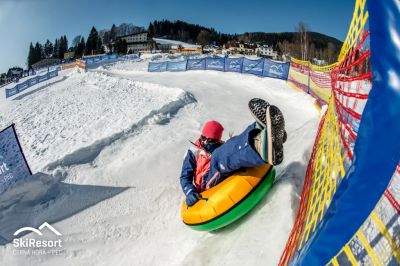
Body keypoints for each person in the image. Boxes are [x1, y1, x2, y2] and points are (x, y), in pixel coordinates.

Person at [180, 98, 287, 206]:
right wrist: (190, 192)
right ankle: (260, 146)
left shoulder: (220, 148)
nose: (206, 141)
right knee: (219, 156)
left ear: (217, 140)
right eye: (204, 137)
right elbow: (185, 177)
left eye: (210, 140)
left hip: (224, 176)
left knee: (232, 144)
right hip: (206, 185)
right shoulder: (194, 152)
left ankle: (259, 130)